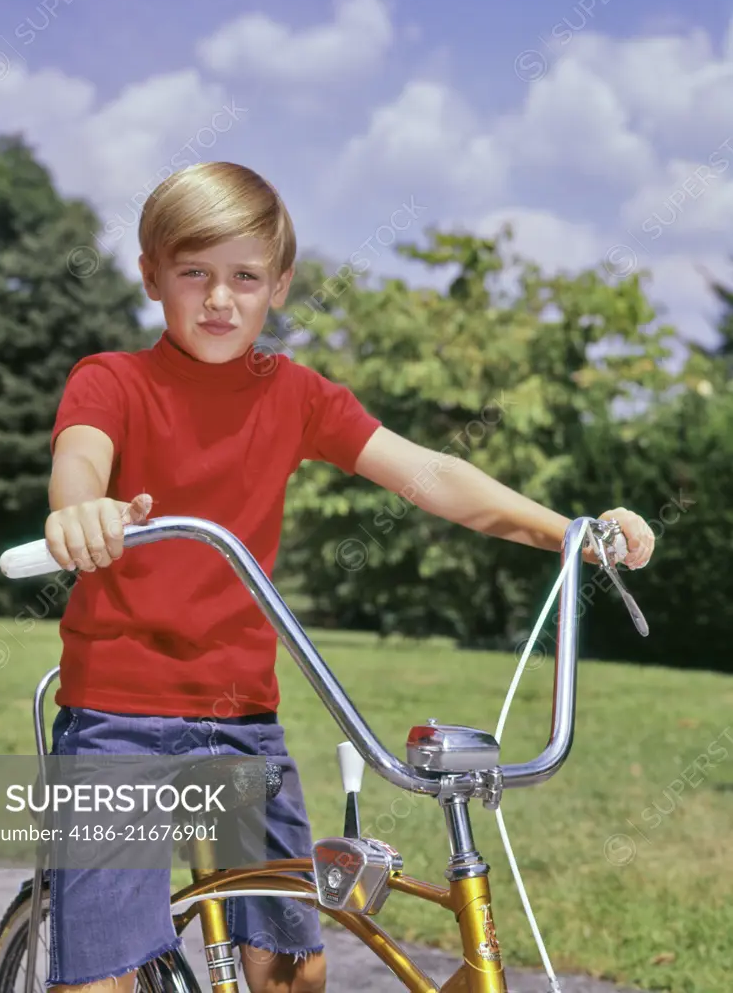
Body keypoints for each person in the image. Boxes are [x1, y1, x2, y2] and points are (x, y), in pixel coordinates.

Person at [43, 161, 655, 993]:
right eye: (194, 273)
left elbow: (428, 474)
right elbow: (81, 457)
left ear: (280, 286)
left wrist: (570, 534)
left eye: (245, 277)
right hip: (119, 713)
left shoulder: (293, 394)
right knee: (105, 978)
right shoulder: (112, 381)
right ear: (152, 275)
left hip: (239, 720)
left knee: (292, 969)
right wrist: (81, 511)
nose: (220, 299)